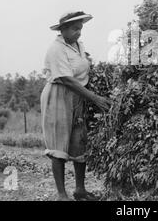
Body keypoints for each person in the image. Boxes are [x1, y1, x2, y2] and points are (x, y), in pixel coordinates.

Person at [40, 11, 111, 201]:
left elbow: (81, 70)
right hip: (58, 95)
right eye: (74, 29)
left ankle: (80, 190)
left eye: (80, 28)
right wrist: (94, 98)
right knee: (59, 143)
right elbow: (66, 79)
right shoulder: (56, 49)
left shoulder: (78, 45)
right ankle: (61, 194)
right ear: (63, 29)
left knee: (80, 140)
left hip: (77, 95)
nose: (79, 32)